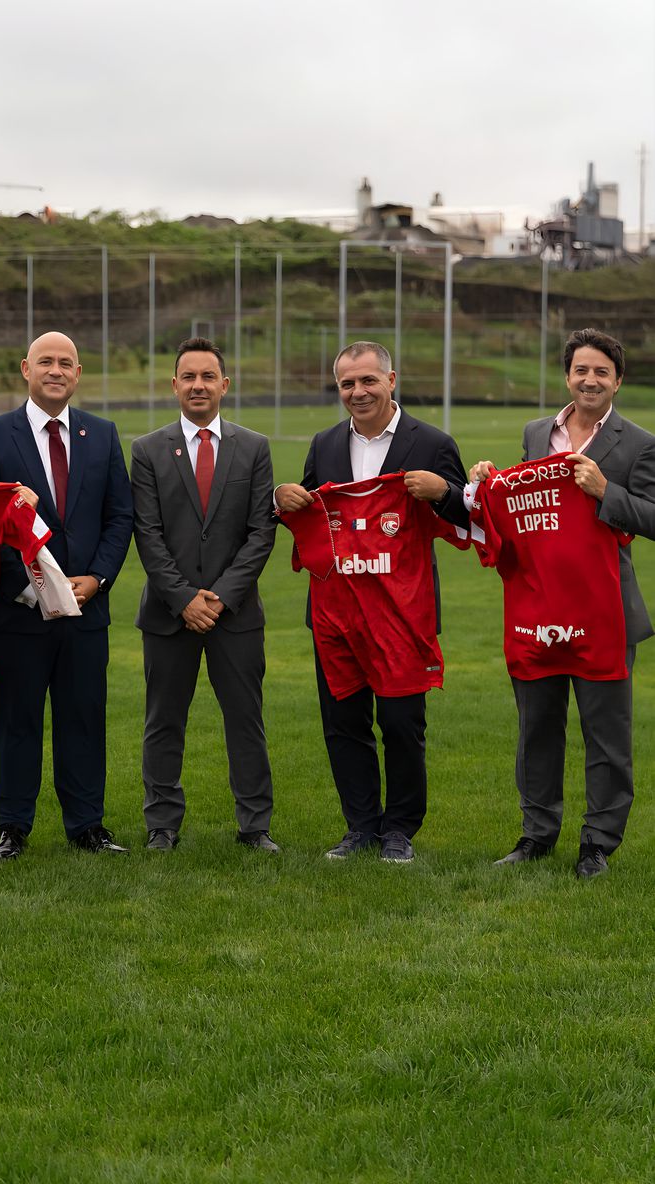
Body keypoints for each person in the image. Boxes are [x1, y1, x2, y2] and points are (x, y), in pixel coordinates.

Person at [469, 328, 655, 878]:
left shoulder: (639, 443)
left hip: (605, 613)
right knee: (537, 729)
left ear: (617, 380)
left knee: (607, 735)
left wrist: (607, 493)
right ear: (567, 375)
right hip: (539, 609)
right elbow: (526, 505)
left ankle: (598, 842)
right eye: (581, 370)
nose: (590, 380)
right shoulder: (535, 432)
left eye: (601, 372)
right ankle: (537, 834)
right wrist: (488, 480)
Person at [275, 340, 468, 863]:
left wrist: (443, 492)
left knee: (403, 725)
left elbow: (473, 522)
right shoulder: (326, 443)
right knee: (343, 724)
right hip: (337, 615)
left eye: (367, 381)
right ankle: (359, 826)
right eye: (346, 384)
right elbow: (312, 510)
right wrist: (282, 500)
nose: (357, 392)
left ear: (391, 380)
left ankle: (400, 829)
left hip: (402, 616)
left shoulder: (431, 443)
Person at [0, 331, 133, 861]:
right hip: (18, 614)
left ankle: (87, 825)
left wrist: (98, 578)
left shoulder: (103, 435)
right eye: (46, 362)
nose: (55, 370)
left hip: (87, 608)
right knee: (16, 720)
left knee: (83, 718)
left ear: (78, 373)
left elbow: (119, 516)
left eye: (66, 363)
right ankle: (12, 828)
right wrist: (33, 589)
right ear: (26, 369)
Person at [130, 337, 279, 852]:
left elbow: (262, 533)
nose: (198, 385)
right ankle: (162, 825)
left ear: (224, 385)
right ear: (174, 385)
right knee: (163, 722)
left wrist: (218, 597)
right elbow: (147, 534)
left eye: (207, 376)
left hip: (234, 616)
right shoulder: (147, 450)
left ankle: (254, 825)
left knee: (246, 722)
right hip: (169, 615)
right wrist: (183, 598)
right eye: (188, 376)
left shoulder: (254, 448)